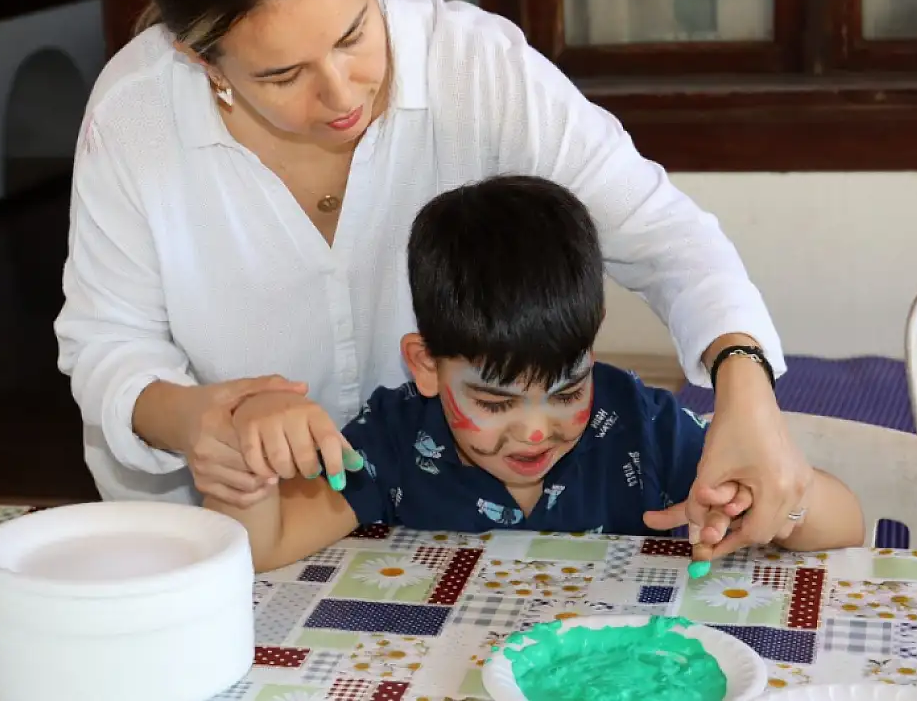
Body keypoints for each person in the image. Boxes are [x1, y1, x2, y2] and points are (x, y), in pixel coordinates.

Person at [56, 0, 812, 557]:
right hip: (227, 536)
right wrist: (204, 422)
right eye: (283, 76)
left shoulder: (475, 68)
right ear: (199, 59)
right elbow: (106, 346)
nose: (342, 91)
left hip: (434, 528)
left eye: (354, 33)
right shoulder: (138, 116)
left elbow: (664, 235)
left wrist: (743, 378)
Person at [204, 176, 862, 571]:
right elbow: (264, 548)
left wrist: (778, 500)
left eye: (568, 390)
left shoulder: (637, 428)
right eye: (494, 403)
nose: (534, 433)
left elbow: (847, 528)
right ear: (426, 366)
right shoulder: (395, 439)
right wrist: (251, 452)